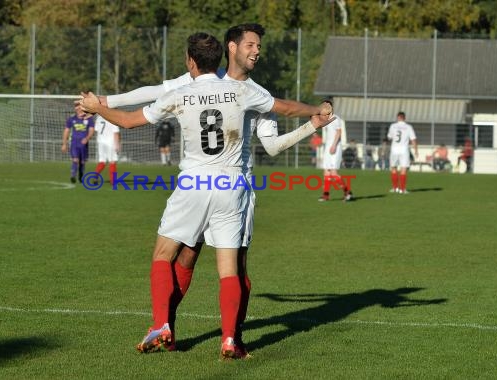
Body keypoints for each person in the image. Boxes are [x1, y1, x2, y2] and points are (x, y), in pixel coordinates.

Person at [79, 32, 330, 360]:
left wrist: (99, 106)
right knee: (226, 269)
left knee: (163, 255)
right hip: (231, 187)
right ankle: (228, 340)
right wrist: (317, 112)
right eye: (251, 45)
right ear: (228, 51)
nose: (256, 51)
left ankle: (162, 325)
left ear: (191, 61)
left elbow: (128, 121)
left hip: (194, 184)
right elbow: (286, 108)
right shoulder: (244, 93)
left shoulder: (183, 92)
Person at [318, 100, 353, 202]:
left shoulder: (335, 119)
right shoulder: (326, 120)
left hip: (334, 148)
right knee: (326, 172)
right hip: (328, 148)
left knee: (333, 173)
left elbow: (339, 132)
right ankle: (326, 195)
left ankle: (347, 192)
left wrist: (333, 145)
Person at [61, 104, 95, 183]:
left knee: (82, 161)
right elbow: (66, 131)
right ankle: (73, 176)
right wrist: (64, 144)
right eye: (77, 107)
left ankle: (81, 175)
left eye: (80, 107)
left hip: (84, 144)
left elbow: (91, 130)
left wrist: (87, 138)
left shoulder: (89, 118)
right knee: (75, 160)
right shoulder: (71, 119)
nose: (78, 109)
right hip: (74, 143)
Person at [387, 111, 418, 194]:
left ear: (398, 117)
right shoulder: (408, 127)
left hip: (394, 149)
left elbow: (389, 137)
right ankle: (402, 189)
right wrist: (416, 150)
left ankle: (395, 188)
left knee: (393, 168)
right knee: (403, 169)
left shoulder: (393, 126)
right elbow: (413, 139)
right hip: (404, 149)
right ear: (404, 118)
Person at [92, 115, 120, 185]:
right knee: (112, 161)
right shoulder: (112, 116)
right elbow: (116, 132)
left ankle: (95, 176)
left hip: (101, 141)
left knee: (102, 161)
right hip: (110, 142)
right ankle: (113, 181)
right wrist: (117, 144)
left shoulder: (99, 117)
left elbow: (96, 129)